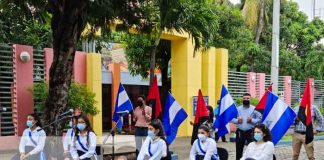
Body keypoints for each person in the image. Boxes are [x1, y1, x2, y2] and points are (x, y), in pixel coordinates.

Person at [232, 93, 262, 160]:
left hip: (251, 132)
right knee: (239, 151)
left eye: (247, 98)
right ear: (242, 99)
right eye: (244, 98)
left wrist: (252, 120)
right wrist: (237, 121)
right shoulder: (237, 109)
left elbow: (260, 119)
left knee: (253, 150)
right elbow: (231, 118)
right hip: (240, 132)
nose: (246, 99)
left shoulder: (254, 109)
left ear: (250, 99)